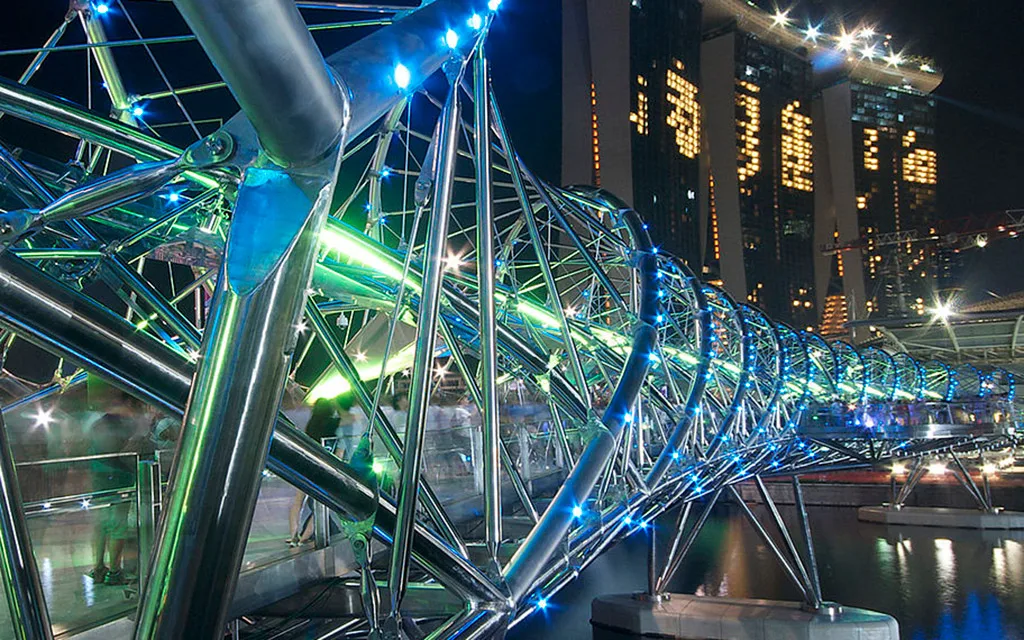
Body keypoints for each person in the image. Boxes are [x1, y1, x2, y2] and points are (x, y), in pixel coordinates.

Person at [88, 394, 141, 585]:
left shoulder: (97, 424)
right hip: (119, 478)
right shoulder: (127, 425)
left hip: (99, 478)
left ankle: (98, 568)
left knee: (101, 525)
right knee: (117, 526)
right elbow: (126, 452)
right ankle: (115, 572)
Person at [288, 397, 339, 546]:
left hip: (305, 465)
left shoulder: (312, 424)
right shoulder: (334, 425)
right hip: (323, 469)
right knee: (321, 506)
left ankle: (293, 536)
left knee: (298, 502)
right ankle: (305, 537)